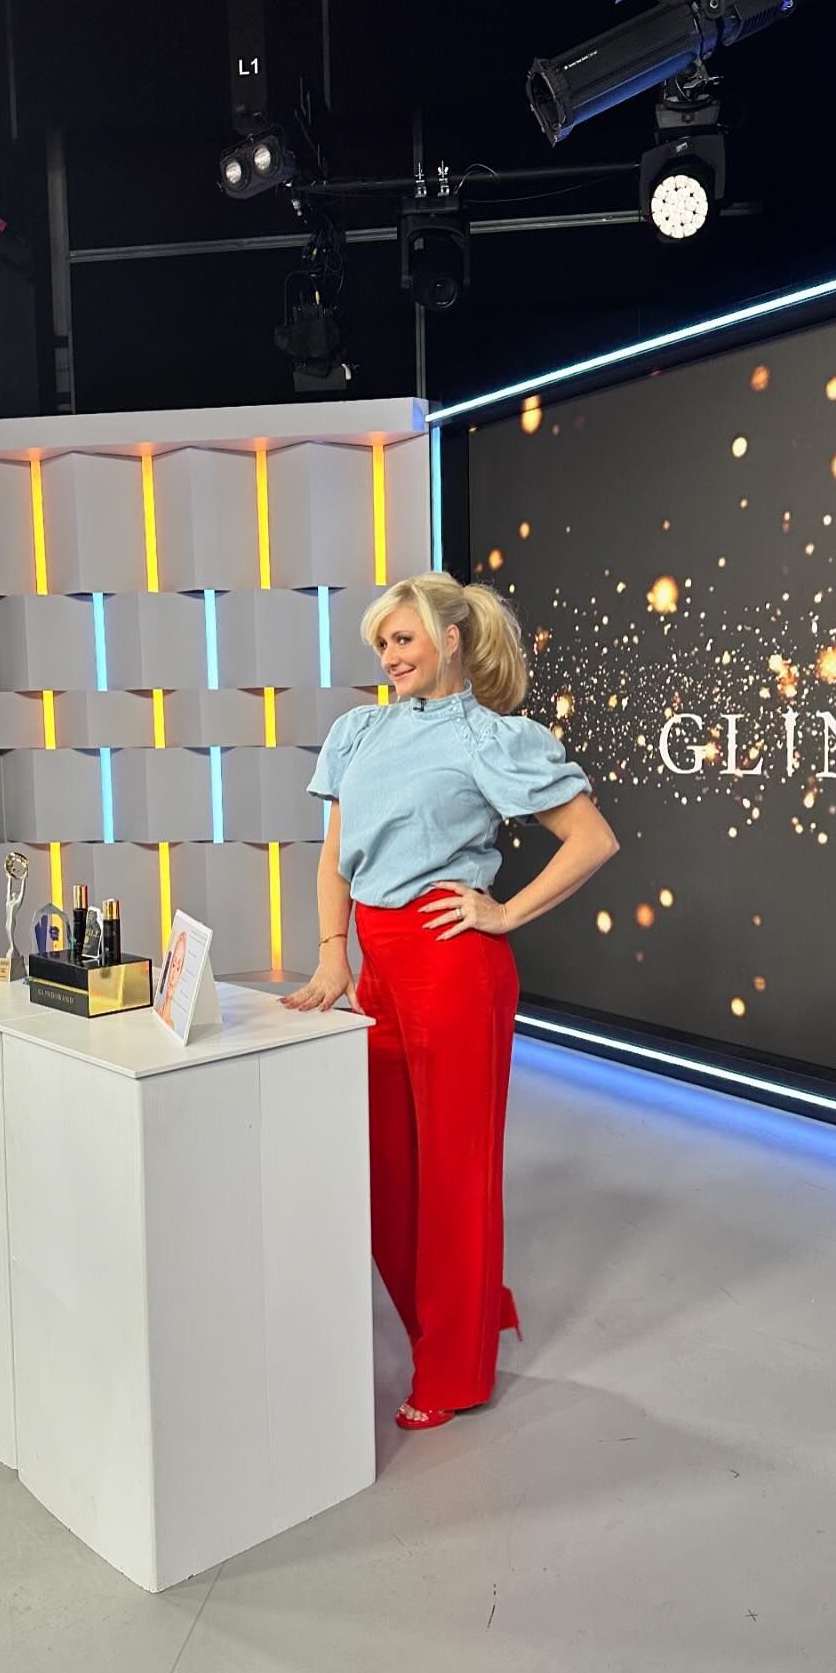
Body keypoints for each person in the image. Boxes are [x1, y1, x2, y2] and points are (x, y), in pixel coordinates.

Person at [281, 571, 618, 1430]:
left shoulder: (490, 738)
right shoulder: (358, 731)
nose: (389, 656)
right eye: (381, 643)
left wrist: (503, 912)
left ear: (452, 639)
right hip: (379, 971)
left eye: (404, 639)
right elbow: (334, 858)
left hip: (453, 968)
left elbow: (592, 838)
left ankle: (454, 1371)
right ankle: (467, 1316)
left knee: (455, 1181)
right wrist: (332, 956)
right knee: (384, 1175)